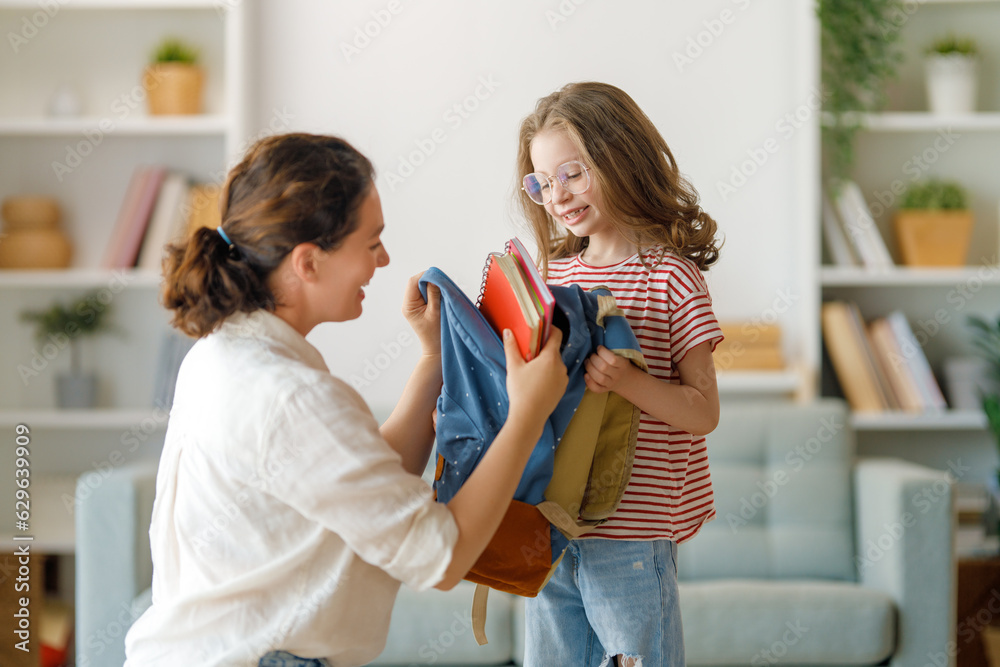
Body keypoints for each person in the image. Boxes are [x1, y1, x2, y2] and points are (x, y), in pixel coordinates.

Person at [123, 133, 568, 667]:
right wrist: (527, 415)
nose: (383, 259)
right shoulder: (291, 397)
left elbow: (367, 492)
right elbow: (441, 555)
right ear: (308, 262)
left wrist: (432, 361)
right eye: (371, 241)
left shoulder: (224, 352)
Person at [514, 82, 724, 667]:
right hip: (553, 524)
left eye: (573, 174)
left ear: (622, 158)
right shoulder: (552, 275)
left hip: (632, 534)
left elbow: (703, 410)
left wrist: (630, 381)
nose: (556, 195)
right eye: (542, 182)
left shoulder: (672, 277)